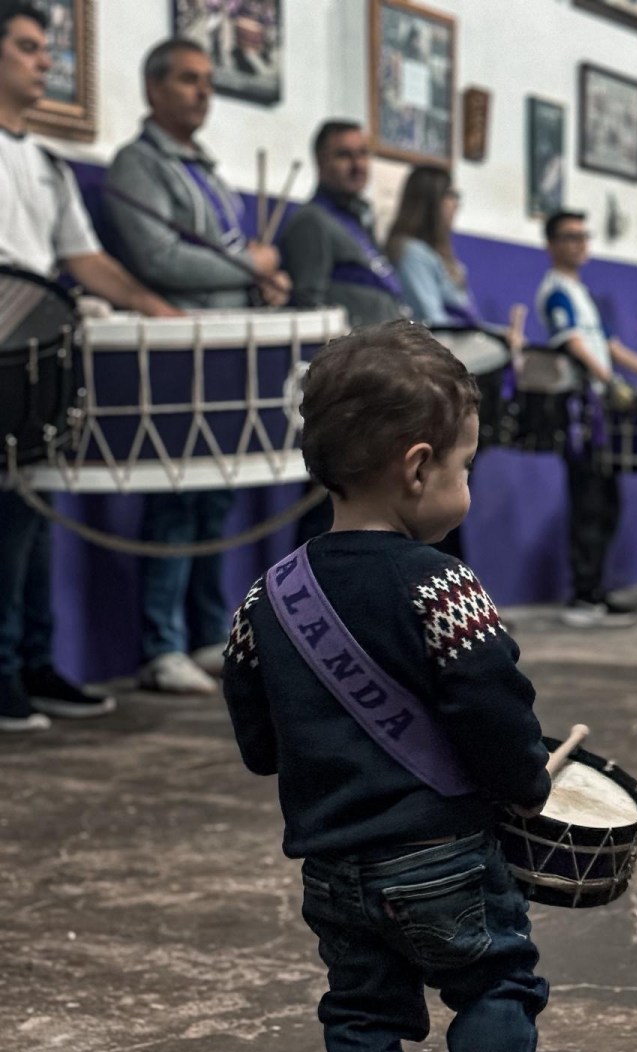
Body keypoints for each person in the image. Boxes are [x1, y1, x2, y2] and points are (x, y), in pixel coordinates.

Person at [223, 321, 552, 1052]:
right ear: (417, 467)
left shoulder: (267, 596)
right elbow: (495, 709)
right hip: (441, 855)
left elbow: (259, 745)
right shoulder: (445, 586)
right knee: (499, 977)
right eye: (465, 467)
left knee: (362, 1009)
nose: (466, 484)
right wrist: (528, 783)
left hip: (331, 863)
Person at [0, 3, 180, 733]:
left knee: (37, 508)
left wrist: (150, 305)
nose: (44, 61)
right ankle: (3, 669)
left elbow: (83, 259)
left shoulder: (43, 161)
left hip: (39, 348)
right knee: (12, 514)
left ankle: (34, 662)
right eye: (28, 48)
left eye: (46, 50)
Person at [105, 37, 290, 695]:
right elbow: (158, 260)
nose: (202, 91)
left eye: (208, 80)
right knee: (177, 495)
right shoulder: (135, 164)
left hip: (225, 345)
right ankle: (162, 644)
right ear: (153, 88)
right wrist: (252, 268)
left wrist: (261, 282)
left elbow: (234, 250)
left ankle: (208, 632)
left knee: (216, 495)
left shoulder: (208, 170)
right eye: (187, 79)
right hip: (175, 346)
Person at [536, 210, 637, 628]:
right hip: (579, 412)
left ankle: (597, 589)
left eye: (583, 236)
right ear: (552, 244)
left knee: (607, 501)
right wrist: (610, 383)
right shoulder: (555, 291)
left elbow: (611, 346)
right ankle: (584, 596)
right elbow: (575, 344)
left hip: (600, 409)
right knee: (589, 502)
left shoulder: (583, 293)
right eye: (569, 236)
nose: (578, 243)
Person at [278, 120, 405, 328]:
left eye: (363, 154)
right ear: (321, 162)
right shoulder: (312, 222)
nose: (358, 165)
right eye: (345, 155)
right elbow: (310, 308)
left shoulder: (360, 219)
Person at [386, 165, 477, 325]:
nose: (457, 204)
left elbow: (468, 321)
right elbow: (434, 323)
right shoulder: (412, 254)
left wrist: (500, 336)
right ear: (430, 201)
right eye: (451, 195)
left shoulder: (439, 256)